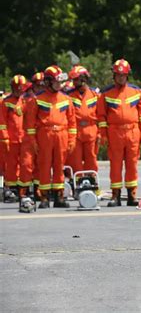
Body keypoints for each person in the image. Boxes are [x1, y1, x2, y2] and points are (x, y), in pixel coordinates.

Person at [97, 59, 141, 207]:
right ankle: (116, 195)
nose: (121, 78)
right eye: (118, 75)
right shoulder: (106, 93)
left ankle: (132, 195)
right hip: (115, 132)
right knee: (116, 165)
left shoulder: (137, 91)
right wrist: (104, 135)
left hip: (133, 131)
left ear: (127, 76)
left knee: (132, 164)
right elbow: (101, 116)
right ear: (114, 76)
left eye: (123, 75)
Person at [25, 65, 77, 209]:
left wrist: (72, 140)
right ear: (48, 82)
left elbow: (72, 122)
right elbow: (30, 124)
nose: (59, 85)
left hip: (62, 134)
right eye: (56, 82)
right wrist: (33, 141)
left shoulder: (66, 99)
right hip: (44, 135)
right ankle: (45, 198)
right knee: (44, 166)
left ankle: (59, 197)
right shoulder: (37, 100)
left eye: (60, 82)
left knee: (59, 167)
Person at [65, 65, 99, 173]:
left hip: (91, 130)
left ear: (83, 79)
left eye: (76, 79)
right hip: (76, 131)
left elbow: (101, 113)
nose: (74, 82)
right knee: (75, 160)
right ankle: (77, 182)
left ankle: (92, 182)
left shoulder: (95, 94)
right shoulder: (69, 96)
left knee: (91, 159)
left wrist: (101, 132)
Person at [18, 72, 45, 200]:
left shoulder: (45, 99)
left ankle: (38, 190)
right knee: (26, 164)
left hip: (41, 136)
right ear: (33, 85)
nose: (40, 88)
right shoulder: (25, 99)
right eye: (38, 86)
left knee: (40, 164)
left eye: (42, 85)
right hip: (28, 137)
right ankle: (24, 191)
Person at [1, 75, 28, 202]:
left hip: (25, 139)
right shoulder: (5, 102)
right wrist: (4, 137)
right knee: (11, 165)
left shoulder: (27, 101)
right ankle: (11, 190)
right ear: (12, 88)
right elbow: (2, 122)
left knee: (25, 165)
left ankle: (23, 190)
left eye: (20, 88)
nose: (18, 90)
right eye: (16, 88)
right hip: (11, 140)